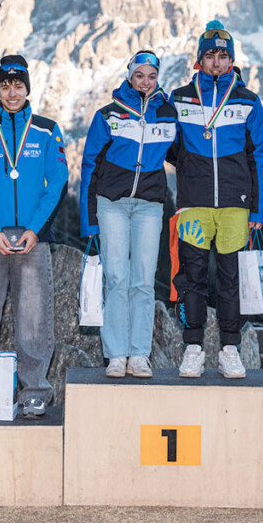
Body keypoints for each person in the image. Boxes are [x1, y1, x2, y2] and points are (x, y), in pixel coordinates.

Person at [0, 54, 68, 419]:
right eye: (5, 86)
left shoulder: (46, 129)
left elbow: (57, 182)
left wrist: (36, 229)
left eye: (18, 85)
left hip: (32, 239)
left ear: (27, 88)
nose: (12, 92)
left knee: (35, 322)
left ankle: (36, 390)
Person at [168, 20, 263, 378]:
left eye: (223, 56)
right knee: (191, 276)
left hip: (235, 205)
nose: (216, 62)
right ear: (199, 60)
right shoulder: (179, 97)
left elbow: (259, 156)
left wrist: (259, 208)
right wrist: (191, 172)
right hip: (194, 203)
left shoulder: (248, 101)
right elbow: (168, 145)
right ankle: (192, 347)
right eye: (209, 55)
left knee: (231, 278)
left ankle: (230, 347)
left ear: (231, 61)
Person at [79, 51, 177, 378]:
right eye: (140, 76)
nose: (146, 82)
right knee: (117, 277)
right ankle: (116, 355)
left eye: (151, 76)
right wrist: (88, 217)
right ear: (130, 77)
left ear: (157, 77)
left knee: (144, 280)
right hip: (112, 203)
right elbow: (90, 165)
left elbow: (186, 156)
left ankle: (139, 354)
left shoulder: (168, 114)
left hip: (150, 203)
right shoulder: (109, 114)